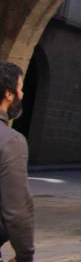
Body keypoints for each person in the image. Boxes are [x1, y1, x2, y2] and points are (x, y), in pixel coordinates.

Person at [0, 62, 34, 262]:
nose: (22, 95)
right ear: (9, 94)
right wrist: (24, 256)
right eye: (20, 88)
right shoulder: (11, 141)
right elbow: (17, 210)